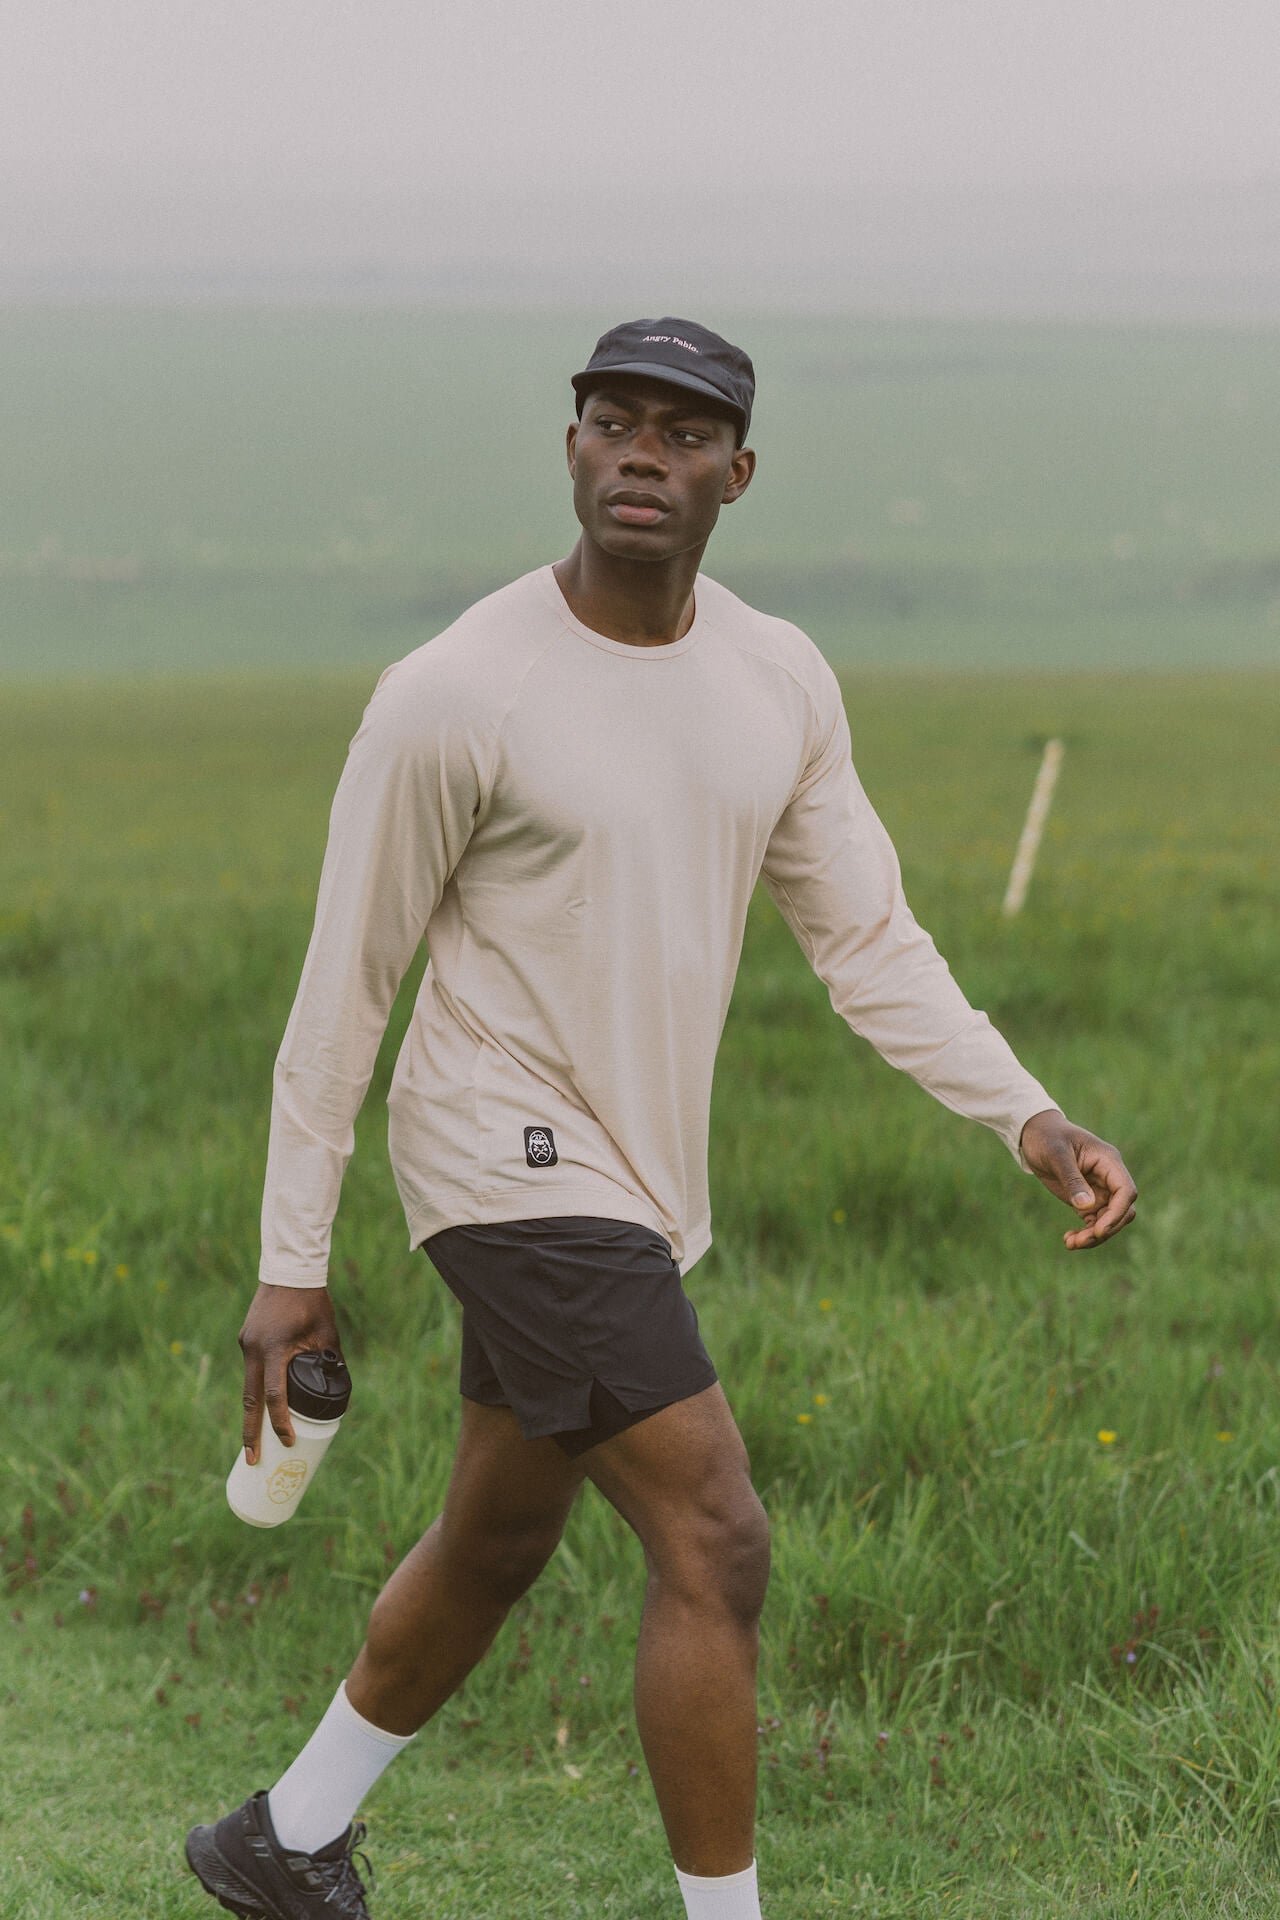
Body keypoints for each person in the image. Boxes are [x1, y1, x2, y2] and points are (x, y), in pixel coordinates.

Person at [185, 316, 1137, 1920]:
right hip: (498, 1148)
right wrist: (292, 1264)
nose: (645, 453)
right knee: (717, 1534)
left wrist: (1026, 1116)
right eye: (614, 422)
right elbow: (342, 985)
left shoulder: (777, 678)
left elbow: (867, 941)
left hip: (635, 1176)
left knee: (499, 1531)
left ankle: (281, 1839)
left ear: (737, 476)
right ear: (570, 450)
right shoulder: (457, 692)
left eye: (685, 434)